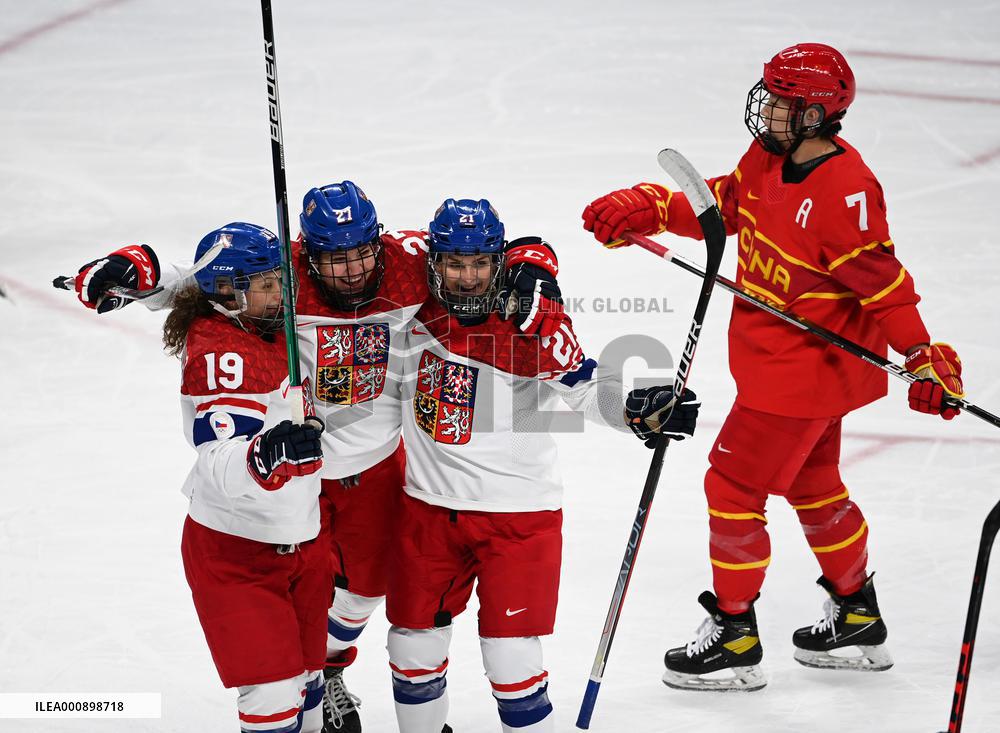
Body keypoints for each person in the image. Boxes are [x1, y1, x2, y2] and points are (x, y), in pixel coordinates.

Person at [70, 183, 565, 732]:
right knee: (300, 598)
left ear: (378, 242)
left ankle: (327, 675)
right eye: (334, 256)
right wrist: (137, 274)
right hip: (293, 479)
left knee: (362, 593)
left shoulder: (408, 264)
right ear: (306, 253)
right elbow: (200, 281)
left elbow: (479, 252)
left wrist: (533, 261)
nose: (352, 270)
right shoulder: (279, 281)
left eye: (360, 252)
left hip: (373, 469)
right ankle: (302, 684)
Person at [581, 43, 965, 691]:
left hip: (800, 376)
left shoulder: (846, 191)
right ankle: (856, 613)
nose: (767, 111)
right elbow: (727, 206)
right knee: (813, 485)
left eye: (783, 102)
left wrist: (923, 355)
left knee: (730, 485)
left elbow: (883, 285)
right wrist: (652, 207)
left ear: (817, 114)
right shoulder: (767, 158)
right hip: (785, 369)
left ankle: (734, 632)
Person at [385, 198, 700, 732]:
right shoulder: (414, 299)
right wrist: (538, 256)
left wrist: (635, 412)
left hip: (519, 516)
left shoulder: (533, 323)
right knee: (412, 646)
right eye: (454, 263)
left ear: (499, 262)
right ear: (434, 261)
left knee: (512, 657)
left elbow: (583, 387)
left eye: (480, 263)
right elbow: (361, 252)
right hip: (426, 509)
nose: (466, 277)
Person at [159, 222, 328, 732]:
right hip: (236, 551)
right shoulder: (221, 353)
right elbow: (216, 460)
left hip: (302, 537)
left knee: (309, 693)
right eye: (267, 284)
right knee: (273, 699)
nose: (282, 293)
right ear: (228, 292)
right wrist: (266, 451)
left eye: (281, 279)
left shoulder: (268, 323)